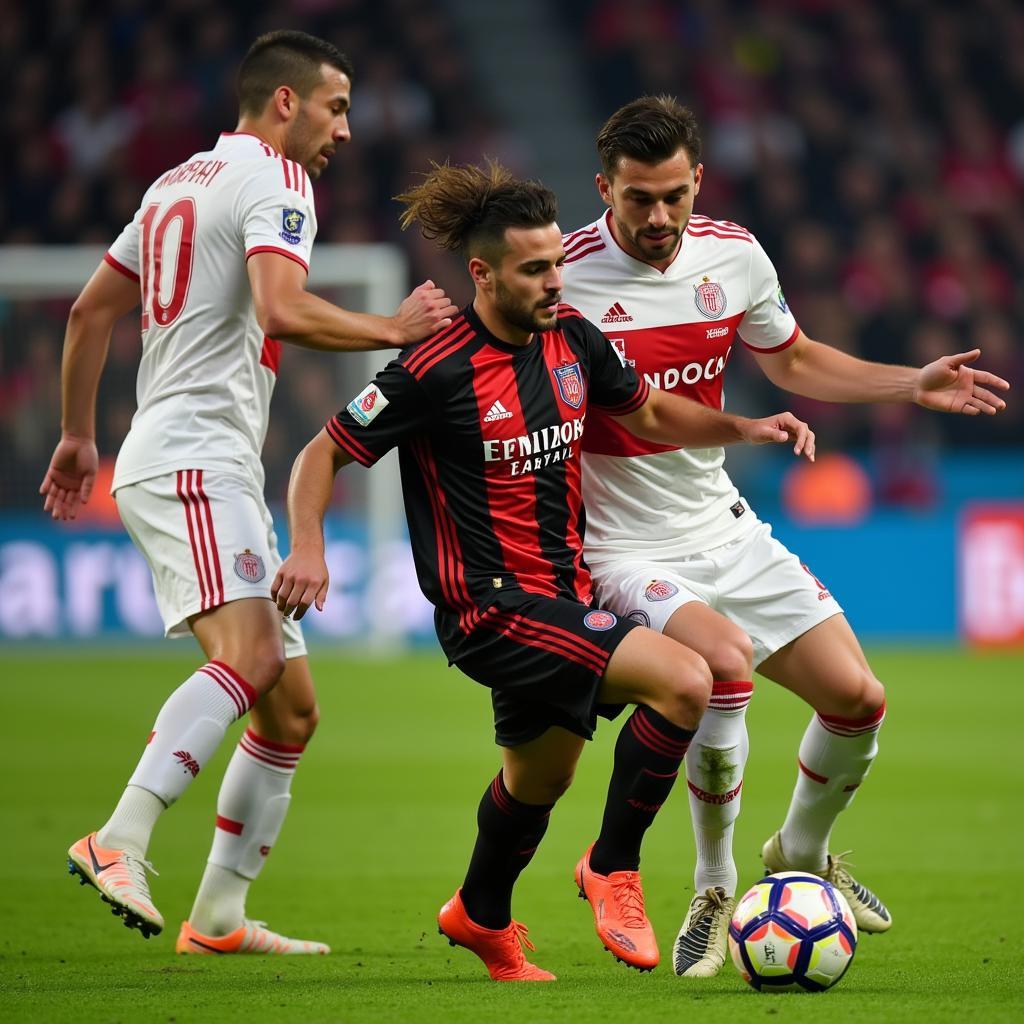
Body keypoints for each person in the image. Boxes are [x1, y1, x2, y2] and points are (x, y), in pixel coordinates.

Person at [271, 159, 816, 980]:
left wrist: (742, 426)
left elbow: (651, 411)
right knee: (689, 680)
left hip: (562, 598)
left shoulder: (572, 340)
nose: (555, 281)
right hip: (488, 609)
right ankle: (612, 867)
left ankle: (480, 914)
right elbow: (322, 453)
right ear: (482, 273)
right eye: (534, 270)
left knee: (539, 777)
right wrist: (307, 545)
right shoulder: (434, 368)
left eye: (559, 262)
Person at [558, 95, 1011, 978]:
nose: (656, 218)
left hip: (722, 525)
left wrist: (908, 384)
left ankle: (797, 855)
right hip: (623, 546)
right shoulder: (564, 278)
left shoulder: (734, 255)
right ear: (604, 186)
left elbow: (793, 360)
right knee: (724, 666)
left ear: (699, 180)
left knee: (858, 700)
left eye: (672, 198)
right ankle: (714, 882)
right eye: (636, 199)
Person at [39, 29, 457, 956]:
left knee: (291, 708)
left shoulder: (173, 184)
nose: (344, 130)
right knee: (254, 655)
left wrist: (78, 434)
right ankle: (119, 838)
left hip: (192, 459)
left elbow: (87, 311)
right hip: (195, 460)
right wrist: (392, 327)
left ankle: (218, 917)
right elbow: (281, 307)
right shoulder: (278, 179)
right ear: (283, 104)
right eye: (335, 107)